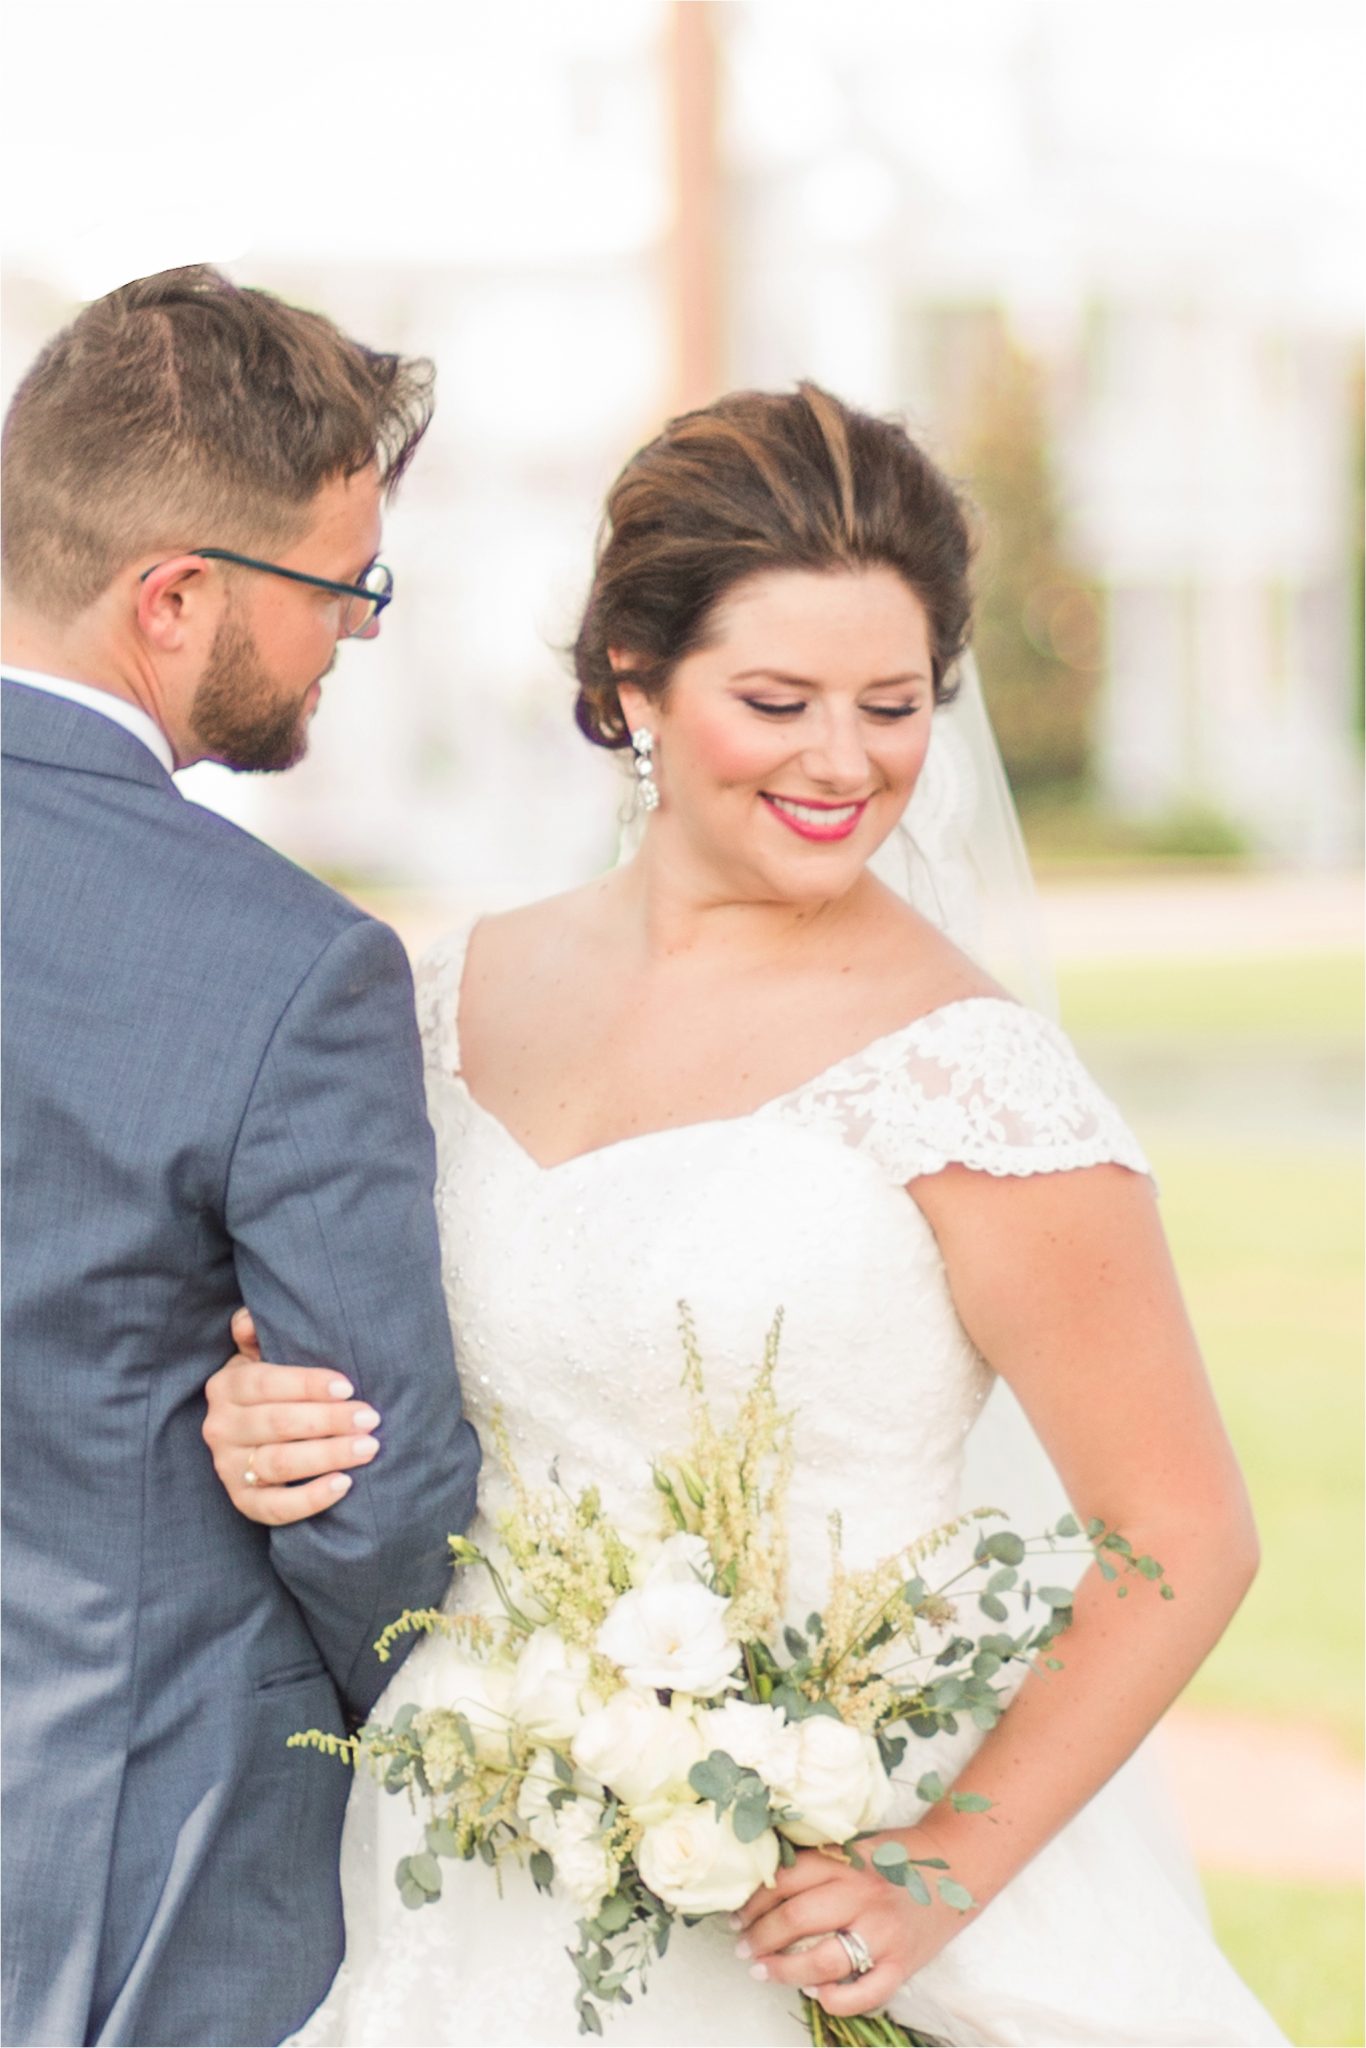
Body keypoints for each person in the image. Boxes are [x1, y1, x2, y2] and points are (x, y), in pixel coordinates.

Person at [205, 384, 1283, 2045]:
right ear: (630, 683)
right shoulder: (434, 998)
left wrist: (935, 1871)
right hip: (469, 1848)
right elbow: (358, 1361)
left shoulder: (971, 1077)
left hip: (820, 1882)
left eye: (895, 704)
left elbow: (1179, 1529)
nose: (844, 762)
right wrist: (261, 1408)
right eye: (776, 699)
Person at [0, 266, 480, 2048]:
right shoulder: (291, 969)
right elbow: (382, 1483)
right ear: (175, 593)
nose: (354, 632)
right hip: (142, 1862)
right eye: (339, 586)